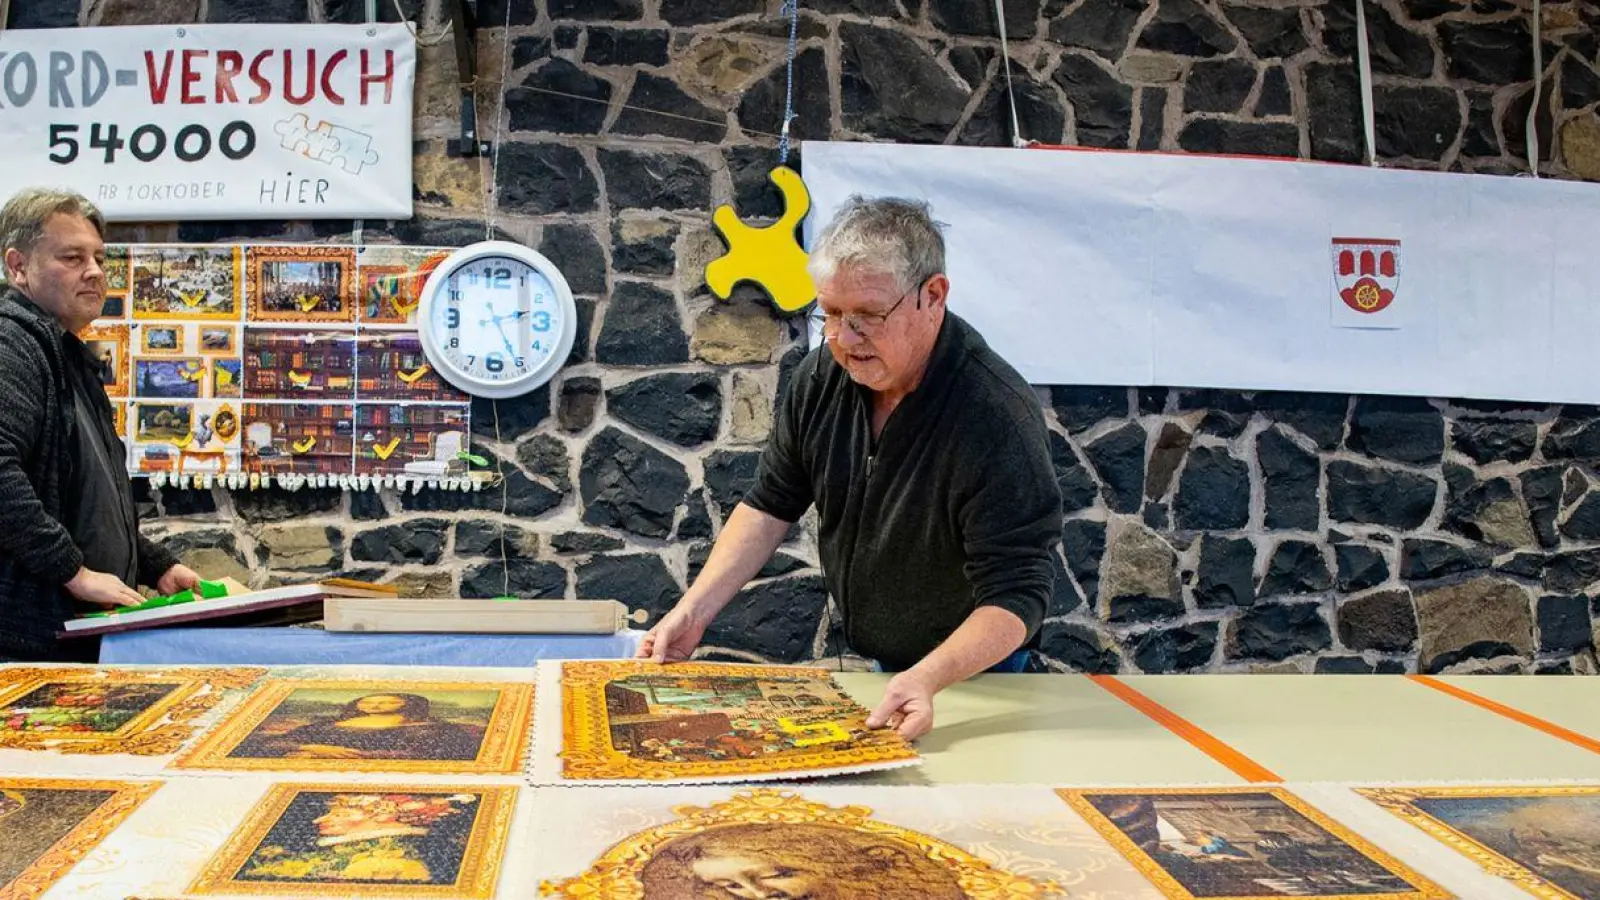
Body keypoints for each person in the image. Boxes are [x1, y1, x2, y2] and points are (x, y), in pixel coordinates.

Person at [640, 196, 1063, 741]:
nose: (842, 339)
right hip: (896, 673)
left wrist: (930, 677)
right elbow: (771, 502)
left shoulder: (996, 414)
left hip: (981, 679)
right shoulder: (823, 377)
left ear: (932, 296)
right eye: (831, 314)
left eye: (866, 317)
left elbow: (1019, 593)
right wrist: (694, 611)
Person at [0, 187, 200, 662]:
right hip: (28, 643)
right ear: (17, 266)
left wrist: (155, 564)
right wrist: (75, 572)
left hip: (70, 634)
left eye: (98, 258)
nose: (93, 272)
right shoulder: (12, 344)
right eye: (71, 257)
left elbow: (84, 503)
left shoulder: (67, 353)